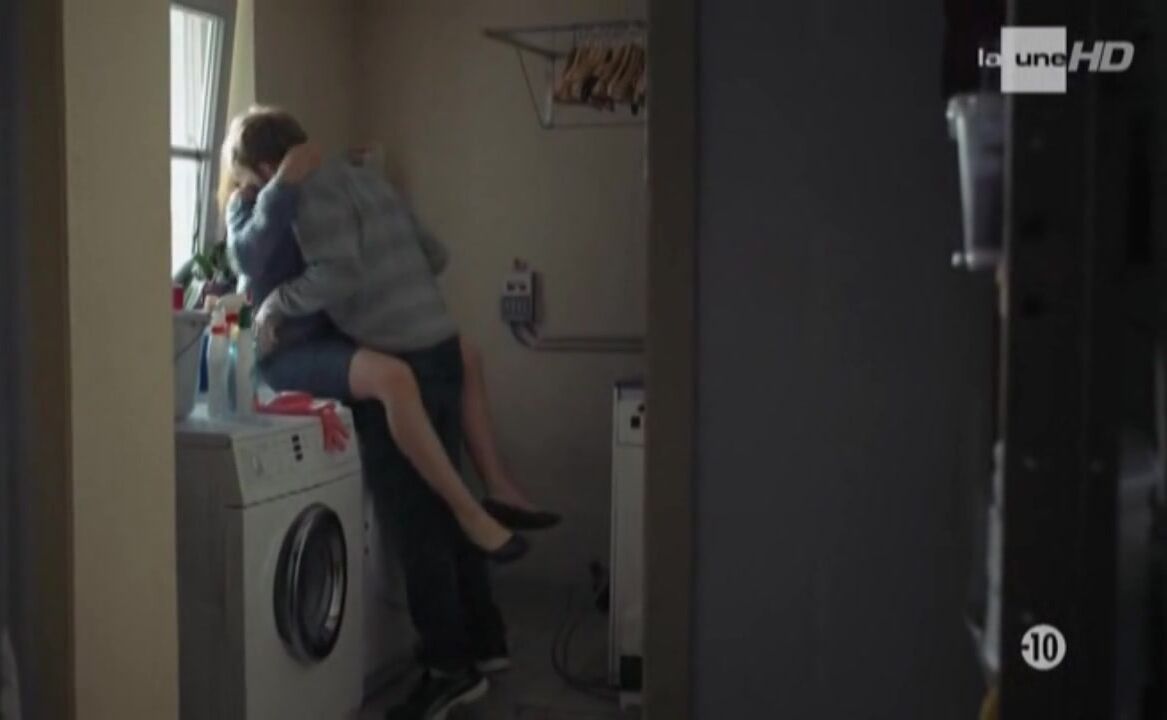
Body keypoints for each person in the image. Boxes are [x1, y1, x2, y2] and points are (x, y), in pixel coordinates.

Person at [220, 106, 510, 717]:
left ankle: (454, 662)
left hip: (361, 353)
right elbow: (248, 257)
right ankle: (479, 644)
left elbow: (344, 272)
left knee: (418, 513)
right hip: (343, 353)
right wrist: (279, 190)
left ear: (262, 164)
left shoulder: (320, 191)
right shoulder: (269, 200)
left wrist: (356, 303)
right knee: (436, 497)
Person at [221, 131, 559, 535]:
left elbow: (406, 260)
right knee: (395, 378)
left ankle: (498, 488)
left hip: (327, 335)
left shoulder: (331, 191)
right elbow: (252, 257)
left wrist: (386, 285)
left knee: (465, 352)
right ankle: (470, 511)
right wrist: (280, 188)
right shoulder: (252, 205)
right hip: (283, 349)